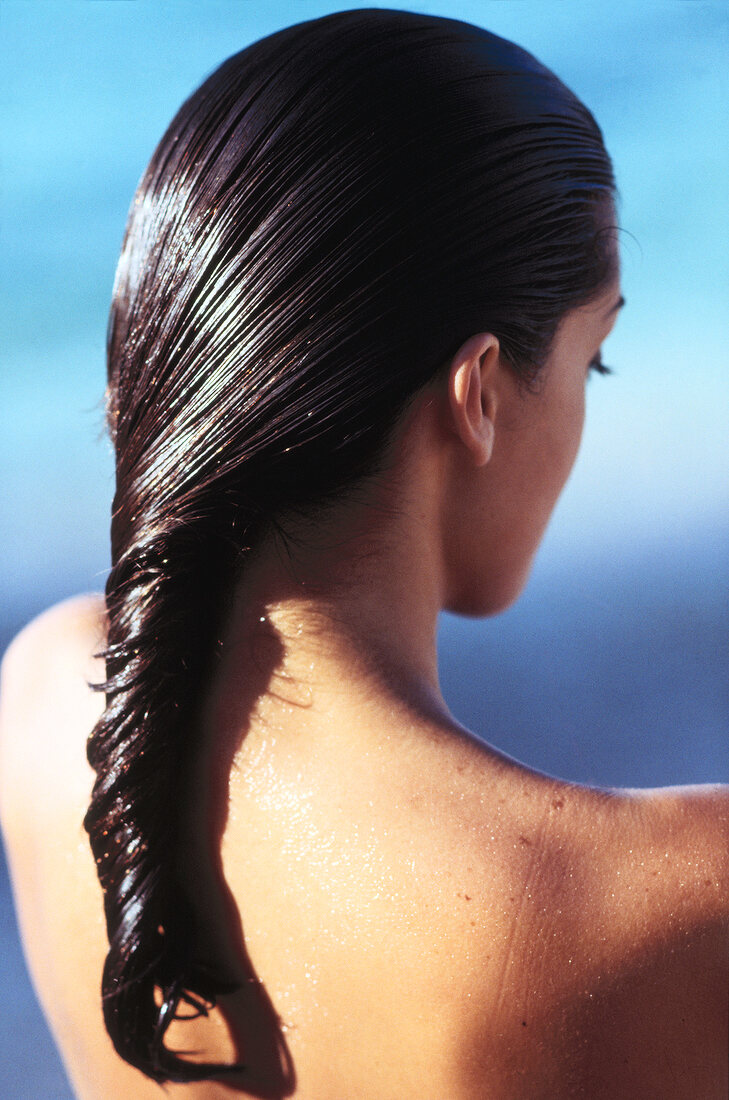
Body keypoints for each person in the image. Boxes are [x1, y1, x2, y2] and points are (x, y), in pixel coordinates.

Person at [0, 9, 726, 1099]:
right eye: (595, 361)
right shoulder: (669, 900)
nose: (588, 407)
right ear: (477, 392)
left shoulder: (52, 701)